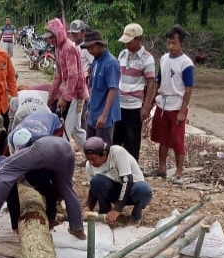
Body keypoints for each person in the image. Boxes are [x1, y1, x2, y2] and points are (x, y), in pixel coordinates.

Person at [0, 122, 87, 240]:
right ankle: (77, 228)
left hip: (46, 147)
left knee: (6, 167)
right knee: (67, 188)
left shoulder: (27, 145)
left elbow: (7, 171)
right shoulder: (34, 133)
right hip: (67, 147)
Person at [150, 24, 194, 185]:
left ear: (181, 42)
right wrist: (152, 100)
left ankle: (179, 172)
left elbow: (188, 89)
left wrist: (183, 111)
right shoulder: (163, 59)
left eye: (174, 43)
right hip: (163, 104)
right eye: (168, 43)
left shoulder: (186, 63)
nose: (171, 46)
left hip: (177, 105)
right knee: (162, 138)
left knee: (177, 140)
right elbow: (159, 81)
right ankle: (161, 168)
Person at [83, 137, 153, 224]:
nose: (91, 162)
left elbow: (127, 181)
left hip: (132, 191)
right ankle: (105, 213)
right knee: (97, 181)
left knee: (144, 190)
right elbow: (93, 188)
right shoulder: (89, 165)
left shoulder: (117, 152)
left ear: (104, 154)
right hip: (114, 192)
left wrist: (117, 209)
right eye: (88, 159)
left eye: (93, 159)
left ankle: (136, 215)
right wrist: (89, 206)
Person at [44, 17, 88, 153]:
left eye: (52, 37)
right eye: (49, 38)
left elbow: (74, 75)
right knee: (76, 130)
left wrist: (65, 98)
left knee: (66, 130)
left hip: (76, 94)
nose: (50, 40)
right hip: (68, 92)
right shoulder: (58, 49)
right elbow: (59, 75)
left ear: (58, 34)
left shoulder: (68, 48)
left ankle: (60, 160)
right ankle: (91, 153)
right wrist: (52, 94)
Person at [114, 23, 156, 161]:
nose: (126, 45)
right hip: (120, 103)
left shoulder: (147, 58)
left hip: (134, 105)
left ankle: (132, 168)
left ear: (138, 39)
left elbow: (151, 83)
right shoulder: (122, 54)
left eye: (129, 42)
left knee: (132, 139)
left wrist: (146, 107)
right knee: (117, 138)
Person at [82, 30, 121, 146]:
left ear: (100, 44)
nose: (89, 50)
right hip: (94, 110)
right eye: (87, 47)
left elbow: (113, 89)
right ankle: (91, 163)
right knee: (90, 143)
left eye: (91, 47)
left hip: (105, 113)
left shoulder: (111, 63)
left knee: (103, 147)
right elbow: (92, 86)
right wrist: (89, 108)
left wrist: (104, 115)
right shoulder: (95, 61)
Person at [68, 19, 94, 131]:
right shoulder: (73, 46)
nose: (73, 35)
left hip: (84, 88)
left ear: (83, 33)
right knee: (74, 117)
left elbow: (93, 66)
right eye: (72, 32)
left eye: (76, 33)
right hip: (74, 88)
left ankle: (86, 143)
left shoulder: (86, 49)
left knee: (82, 117)